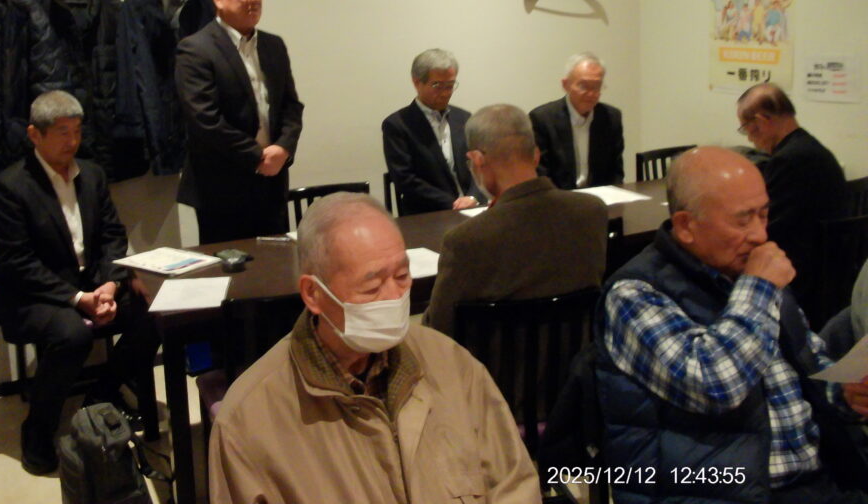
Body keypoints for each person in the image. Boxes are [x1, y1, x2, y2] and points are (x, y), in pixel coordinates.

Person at [208, 193, 542, 503]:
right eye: (371, 287)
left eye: (402, 275)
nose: (394, 296)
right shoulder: (249, 423)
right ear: (314, 294)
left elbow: (514, 482)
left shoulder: (451, 363)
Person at [596, 146, 868, 504]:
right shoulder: (635, 294)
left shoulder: (750, 272)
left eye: (763, 215)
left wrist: (843, 394)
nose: (760, 235)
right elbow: (715, 387)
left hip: (813, 481)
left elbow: (809, 364)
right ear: (686, 226)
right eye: (742, 221)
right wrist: (759, 288)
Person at [0, 91, 160, 475]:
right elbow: (17, 263)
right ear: (35, 134)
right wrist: (78, 298)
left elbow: (112, 235)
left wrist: (109, 286)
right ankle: (37, 430)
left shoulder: (91, 174)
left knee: (154, 313)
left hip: (93, 284)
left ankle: (101, 395)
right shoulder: (9, 186)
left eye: (77, 131)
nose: (73, 141)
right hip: (35, 295)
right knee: (72, 336)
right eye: (62, 132)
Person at [422, 104, 607, 337]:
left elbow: (439, 328)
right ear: (536, 155)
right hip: (577, 355)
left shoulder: (465, 240)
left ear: (477, 160)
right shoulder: (592, 212)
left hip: (490, 361)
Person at [175, 0, 303, 243]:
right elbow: (205, 120)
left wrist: (284, 148)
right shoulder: (195, 49)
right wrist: (257, 156)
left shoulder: (273, 45)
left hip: (272, 180)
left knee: (277, 260)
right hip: (222, 187)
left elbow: (291, 107)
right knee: (232, 265)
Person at [737, 83, 846, 313]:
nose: (749, 139)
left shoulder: (791, 160)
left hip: (804, 277)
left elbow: (767, 228)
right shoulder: (809, 148)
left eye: (746, 128)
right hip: (831, 267)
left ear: (762, 121)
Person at [381, 48, 485, 214]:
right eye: (437, 85)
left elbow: (480, 164)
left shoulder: (464, 118)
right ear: (417, 83)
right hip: (428, 214)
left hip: (472, 208)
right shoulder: (398, 125)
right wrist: (454, 204)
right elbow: (405, 180)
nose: (445, 93)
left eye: (450, 85)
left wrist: (473, 197)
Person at [528, 52, 624, 190]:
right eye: (583, 86)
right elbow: (541, 174)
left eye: (596, 86)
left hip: (601, 197)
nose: (591, 93)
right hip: (559, 198)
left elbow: (616, 172)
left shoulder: (611, 117)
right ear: (565, 85)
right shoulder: (542, 119)